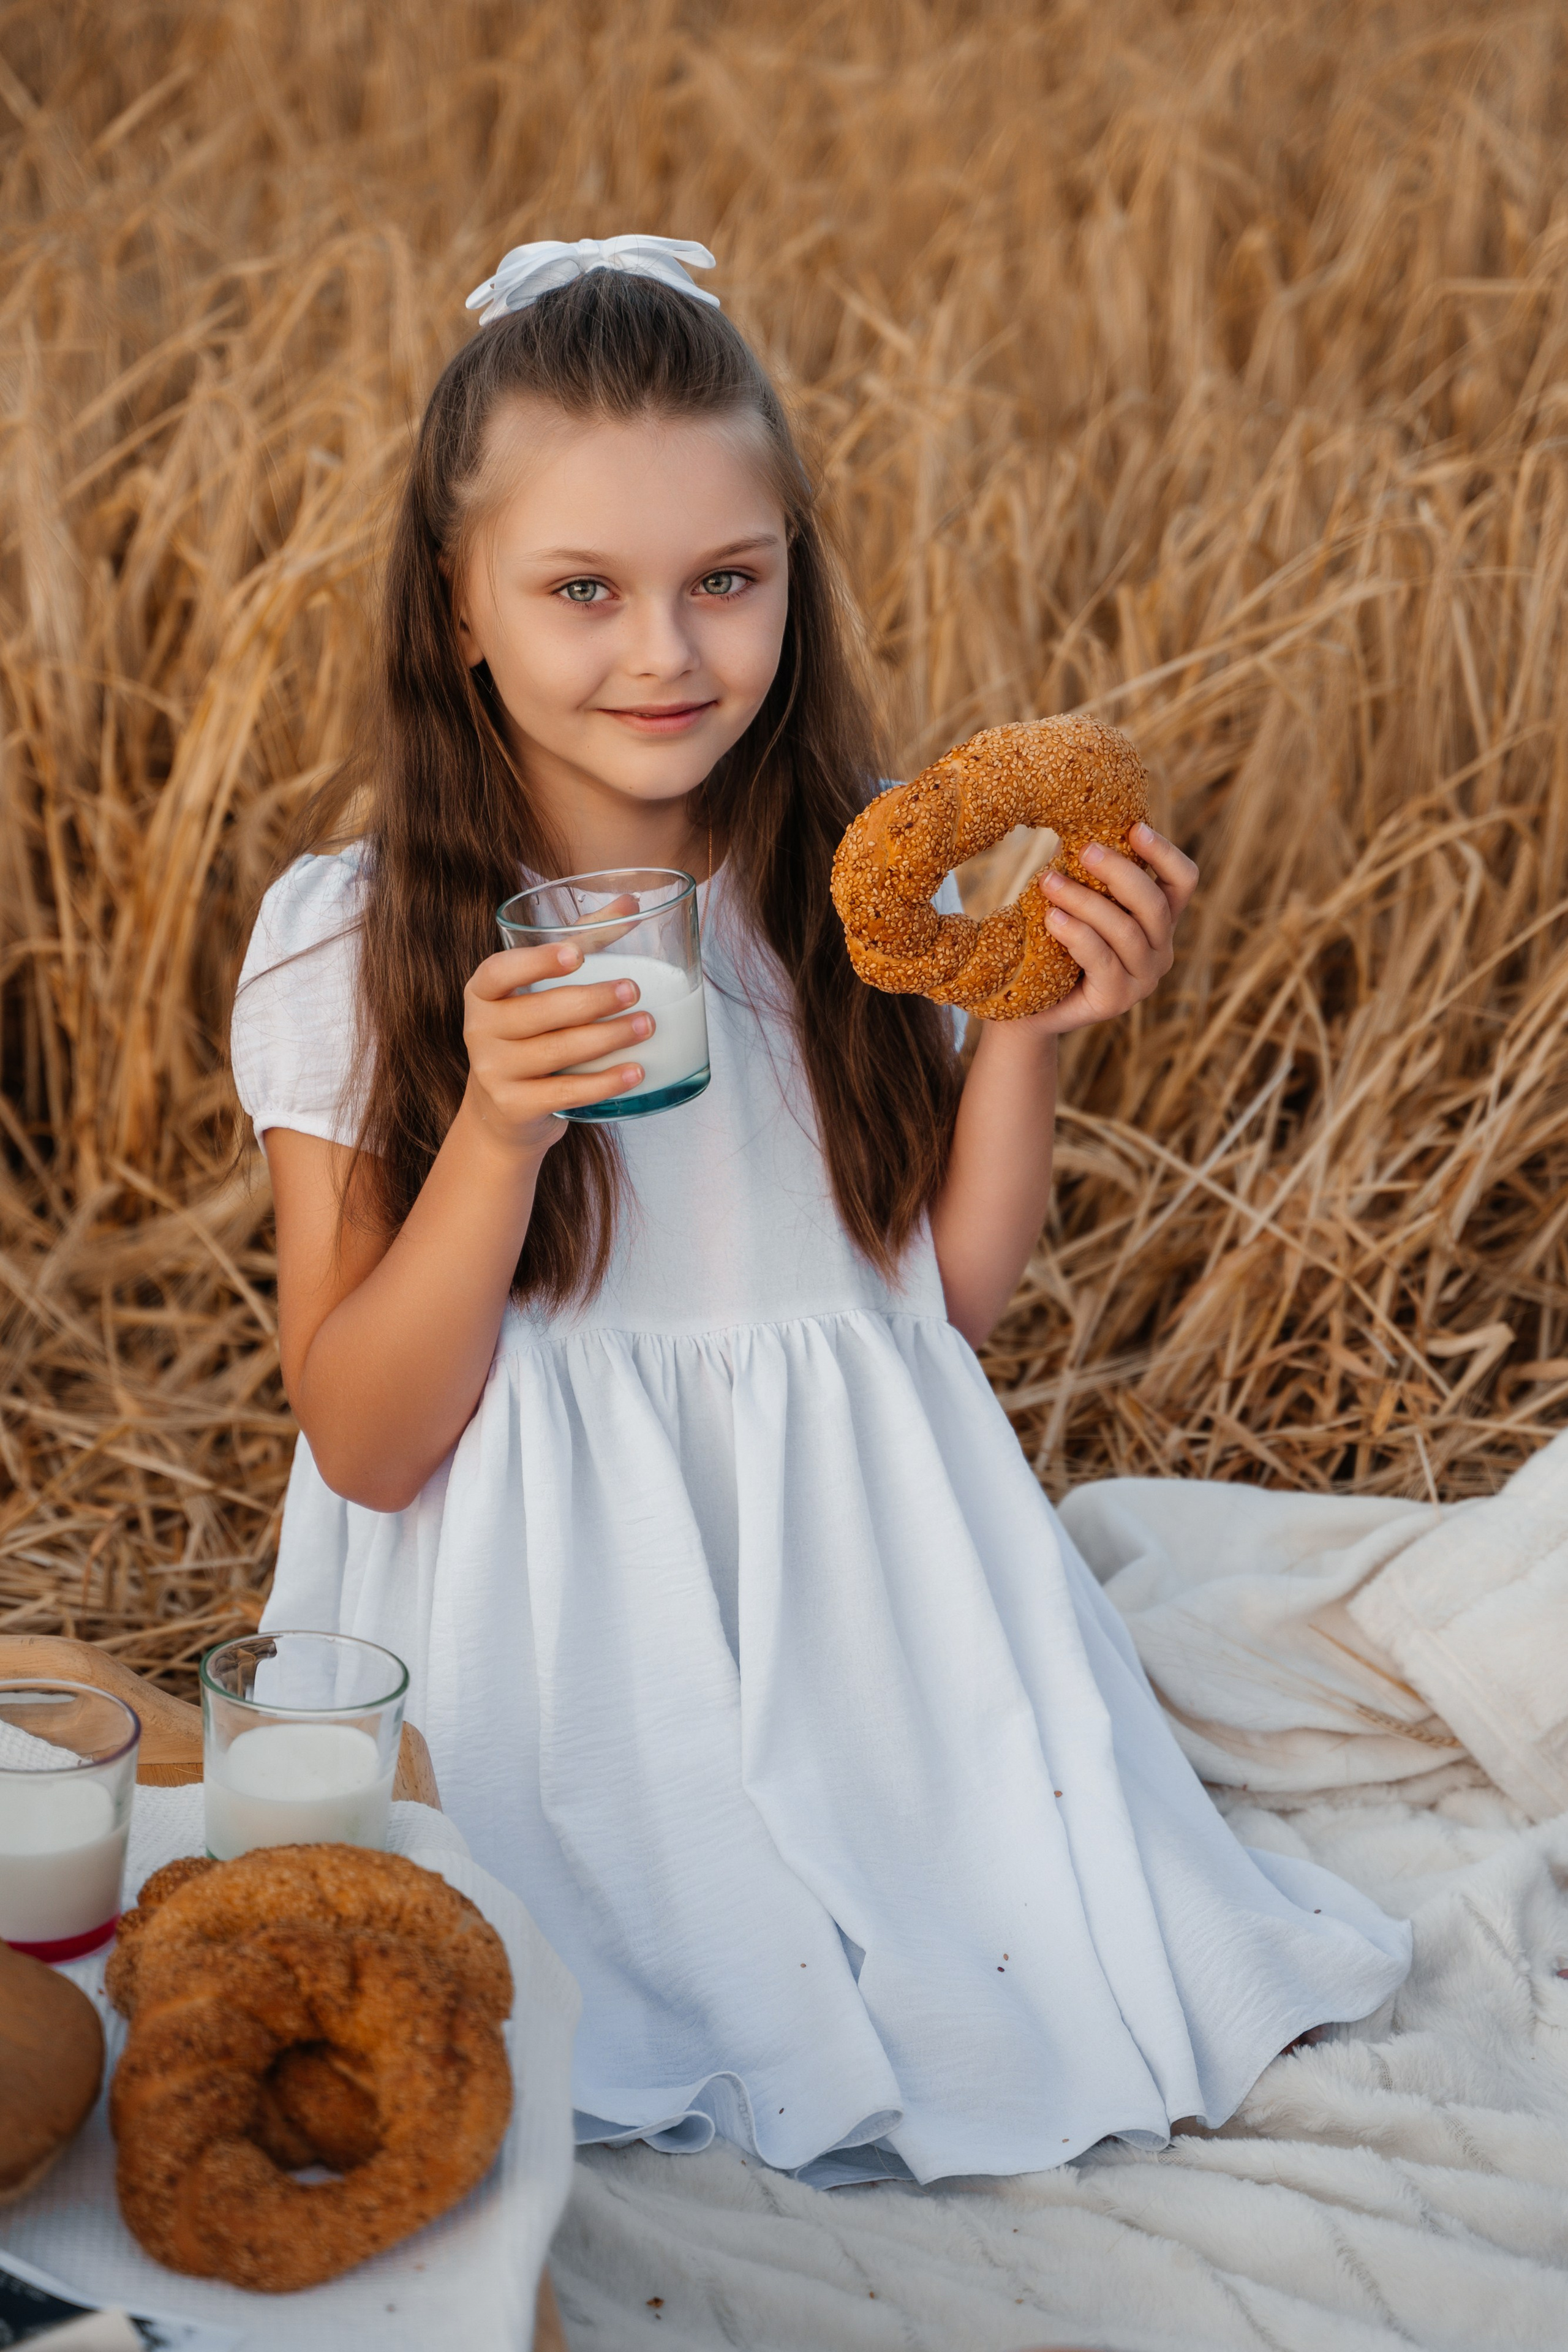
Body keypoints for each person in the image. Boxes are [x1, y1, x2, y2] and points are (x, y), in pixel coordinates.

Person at [232, 233, 1411, 2189]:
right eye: (582, 591)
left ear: (793, 578)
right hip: (551, 1649)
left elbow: (940, 1301)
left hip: (862, 1605)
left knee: (980, 1958)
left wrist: (1030, 1020)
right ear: (459, 605)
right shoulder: (350, 945)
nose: (664, 655)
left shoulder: (859, 890)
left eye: (727, 583)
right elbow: (365, 1437)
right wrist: (503, 1137)